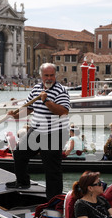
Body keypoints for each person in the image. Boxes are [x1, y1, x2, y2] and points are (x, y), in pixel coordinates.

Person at [6, 63, 70, 200]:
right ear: (41, 76)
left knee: (51, 167)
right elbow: (28, 109)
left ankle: (54, 199)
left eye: (52, 75)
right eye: (46, 75)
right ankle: (23, 182)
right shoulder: (36, 89)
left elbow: (63, 112)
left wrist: (46, 100)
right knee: (19, 154)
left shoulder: (61, 90)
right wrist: (15, 115)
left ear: (55, 76)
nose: (49, 78)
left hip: (55, 133)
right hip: (36, 130)